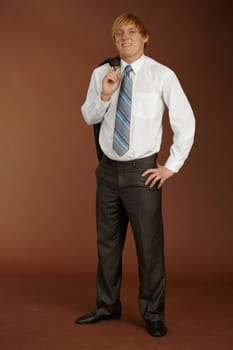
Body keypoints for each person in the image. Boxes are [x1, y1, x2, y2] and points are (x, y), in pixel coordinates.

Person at [75, 13, 195, 337]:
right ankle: (106, 306)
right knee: (107, 246)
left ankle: (153, 314)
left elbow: (185, 120)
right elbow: (88, 115)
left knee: (149, 248)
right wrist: (105, 94)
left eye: (131, 32)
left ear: (144, 37)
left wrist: (171, 166)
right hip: (108, 173)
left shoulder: (162, 75)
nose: (124, 37)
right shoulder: (103, 72)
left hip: (142, 174)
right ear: (114, 41)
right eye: (119, 34)